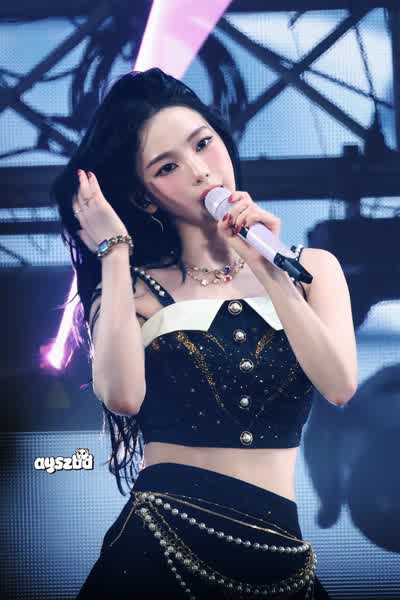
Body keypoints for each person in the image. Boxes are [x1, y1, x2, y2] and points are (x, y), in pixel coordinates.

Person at [53, 68, 358, 599]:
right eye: (168, 166)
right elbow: (122, 396)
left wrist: (268, 270)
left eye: (203, 144)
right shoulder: (134, 289)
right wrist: (114, 252)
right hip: (159, 546)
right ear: (145, 198)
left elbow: (339, 385)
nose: (200, 171)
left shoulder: (313, 268)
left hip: (280, 554)